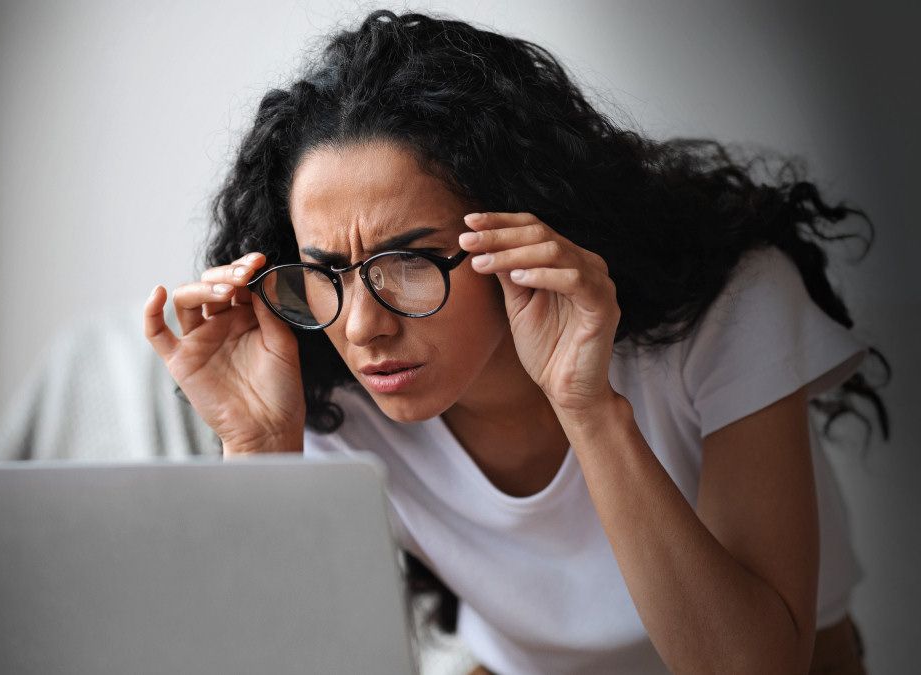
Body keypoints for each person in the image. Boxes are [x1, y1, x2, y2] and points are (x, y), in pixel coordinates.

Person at [143, 10, 887, 674]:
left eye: (407, 262)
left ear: (521, 233)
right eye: (327, 270)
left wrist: (588, 406)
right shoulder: (327, 388)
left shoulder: (728, 303)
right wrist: (261, 444)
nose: (364, 327)